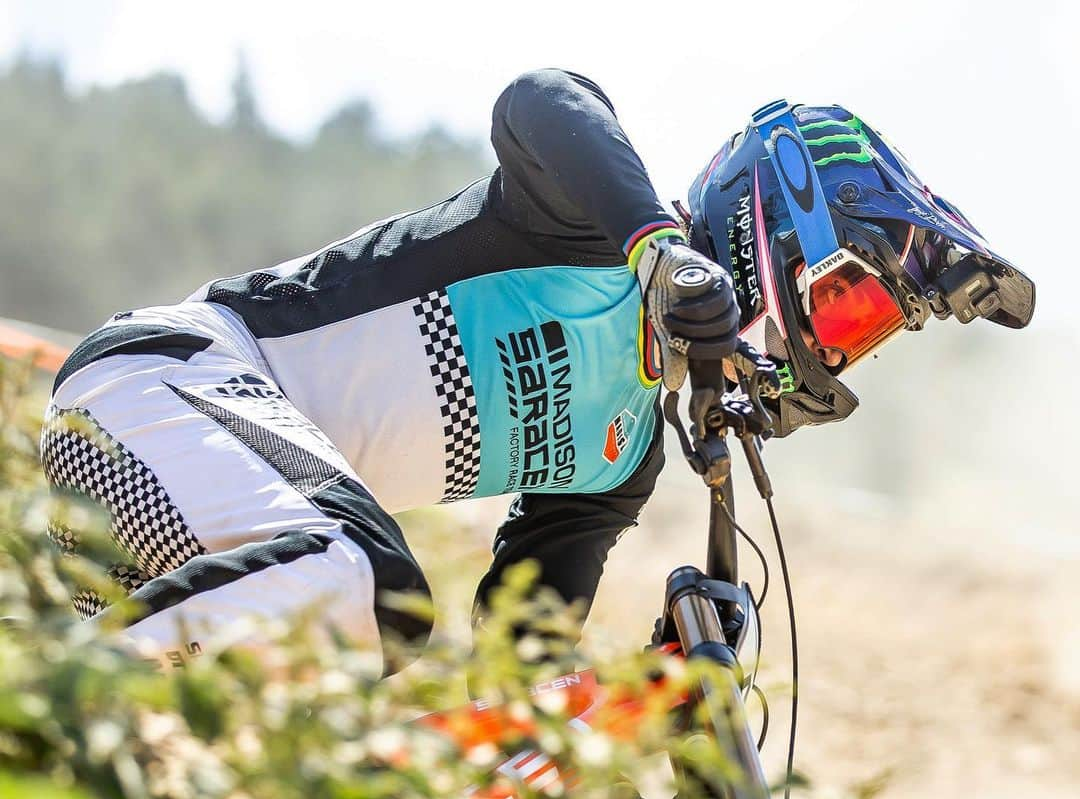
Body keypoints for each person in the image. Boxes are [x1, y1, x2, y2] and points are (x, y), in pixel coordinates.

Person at [40, 70, 1034, 673]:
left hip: (207, 531)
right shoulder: (590, 229)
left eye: (866, 339)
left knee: (353, 647)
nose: (837, 352)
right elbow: (541, 101)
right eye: (848, 308)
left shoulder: (623, 455)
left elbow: (519, 655)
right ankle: (46, 700)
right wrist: (654, 247)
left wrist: (637, 708)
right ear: (769, 231)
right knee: (372, 592)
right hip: (157, 386)